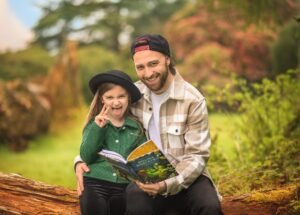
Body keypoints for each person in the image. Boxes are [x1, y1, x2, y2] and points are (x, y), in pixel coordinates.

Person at [75, 34, 223, 215]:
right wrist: (80, 161)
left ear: (167, 60)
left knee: (209, 206)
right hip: (145, 176)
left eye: (153, 64)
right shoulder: (132, 94)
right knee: (136, 199)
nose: (148, 73)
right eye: (140, 67)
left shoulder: (192, 100)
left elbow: (197, 155)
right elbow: (110, 131)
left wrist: (167, 184)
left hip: (187, 176)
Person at [78, 69, 146, 215]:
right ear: (102, 99)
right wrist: (98, 129)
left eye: (121, 96)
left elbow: (144, 159)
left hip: (124, 187)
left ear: (128, 97)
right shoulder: (94, 124)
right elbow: (86, 156)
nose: (116, 102)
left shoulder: (136, 128)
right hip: (95, 182)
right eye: (109, 97)